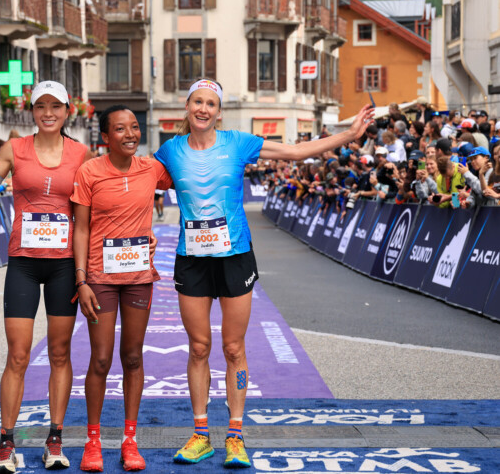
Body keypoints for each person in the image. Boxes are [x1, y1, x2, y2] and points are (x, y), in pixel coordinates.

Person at [153, 78, 374, 468]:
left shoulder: (238, 142)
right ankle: (201, 434)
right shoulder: (170, 150)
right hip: (192, 259)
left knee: (233, 348)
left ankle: (235, 436)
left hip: (235, 255)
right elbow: (139, 186)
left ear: (219, 112)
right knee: (199, 348)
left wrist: (349, 135)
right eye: (197, 102)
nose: (203, 109)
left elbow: (294, 151)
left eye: (210, 103)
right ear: (186, 107)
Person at [0, 81, 90, 474]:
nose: (48, 113)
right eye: (41, 106)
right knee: (18, 354)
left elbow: (91, 212)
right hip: (24, 263)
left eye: (55, 106)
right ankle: (6, 444)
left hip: (64, 264)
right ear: (32, 111)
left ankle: (55, 440)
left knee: (60, 353)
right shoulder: (14, 149)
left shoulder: (81, 154)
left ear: (67, 111)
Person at [72, 106, 171, 472]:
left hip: (138, 278)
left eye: (134, 127)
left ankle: (130, 440)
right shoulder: (90, 172)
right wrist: (81, 280)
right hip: (100, 278)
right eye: (120, 129)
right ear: (105, 136)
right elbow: (81, 228)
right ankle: (93, 441)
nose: (130, 134)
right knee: (101, 359)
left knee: (132, 357)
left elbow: (193, 173)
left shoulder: (152, 169)